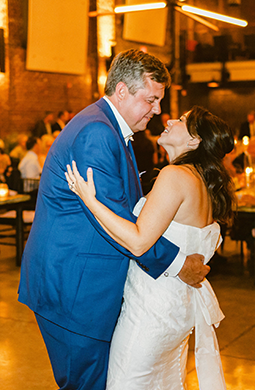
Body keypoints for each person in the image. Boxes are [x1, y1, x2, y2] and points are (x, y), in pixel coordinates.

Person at [18, 49, 208, 390]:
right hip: (74, 288)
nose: (158, 110)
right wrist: (178, 263)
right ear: (121, 91)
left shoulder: (105, 126)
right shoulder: (97, 133)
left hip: (84, 284)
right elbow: (115, 222)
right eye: (151, 99)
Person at [66, 105, 233, 389]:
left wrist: (89, 199)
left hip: (150, 315)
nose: (168, 119)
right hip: (177, 313)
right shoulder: (203, 183)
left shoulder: (175, 176)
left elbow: (139, 241)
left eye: (181, 120)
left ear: (195, 140)